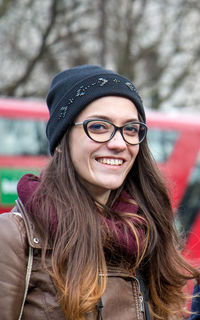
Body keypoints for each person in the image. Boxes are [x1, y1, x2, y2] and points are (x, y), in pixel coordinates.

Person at [0, 65, 199, 320]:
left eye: (130, 129)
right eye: (98, 127)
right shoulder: (14, 238)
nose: (118, 143)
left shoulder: (148, 235)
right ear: (62, 141)